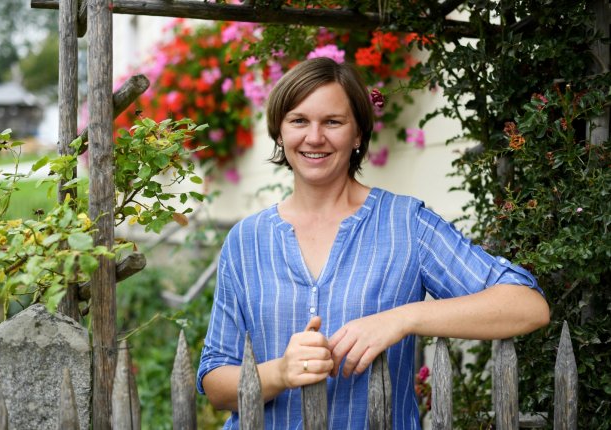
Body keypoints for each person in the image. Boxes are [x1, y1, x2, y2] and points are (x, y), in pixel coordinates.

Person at [197, 57, 549, 429]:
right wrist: (280, 372)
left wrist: (402, 318)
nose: (314, 137)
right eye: (299, 120)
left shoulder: (405, 224)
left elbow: (528, 306)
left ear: (358, 134)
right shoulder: (246, 239)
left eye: (333, 122)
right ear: (279, 132)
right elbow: (215, 383)